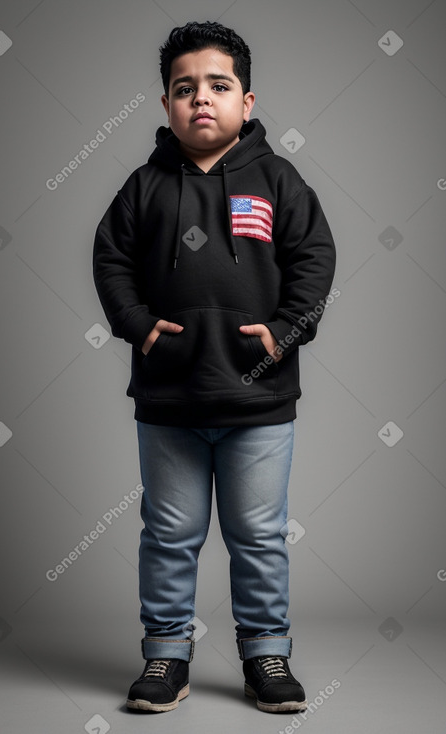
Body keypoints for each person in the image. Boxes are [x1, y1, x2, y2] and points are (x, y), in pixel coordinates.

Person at [92, 20, 336, 714]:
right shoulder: (144, 187)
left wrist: (287, 333)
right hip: (169, 402)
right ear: (166, 104)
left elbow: (314, 260)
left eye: (218, 86)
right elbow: (109, 260)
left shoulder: (278, 181)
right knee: (168, 533)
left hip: (258, 404)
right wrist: (137, 328)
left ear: (247, 102)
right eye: (183, 88)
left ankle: (266, 652)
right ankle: (166, 656)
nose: (201, 99)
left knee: (257, 535)